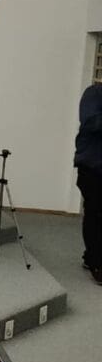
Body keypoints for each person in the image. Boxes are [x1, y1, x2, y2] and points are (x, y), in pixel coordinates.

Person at [76, 82, 102, 284]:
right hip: (92, 166)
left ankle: (90, 256)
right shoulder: (94, 93)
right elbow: (90, 122)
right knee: (96, 214)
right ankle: (97, 263)